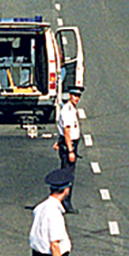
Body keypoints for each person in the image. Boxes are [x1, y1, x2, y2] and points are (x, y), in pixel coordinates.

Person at [53, 86, 83, 214]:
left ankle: (64, 201)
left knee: (67, 173)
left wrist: (59, 142)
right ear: (70, 95)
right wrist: (71, 150)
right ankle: (65, 202)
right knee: (68, 175)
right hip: (69, 145)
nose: (77, 98)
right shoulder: (67, 110)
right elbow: (66, 131)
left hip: (67, 143)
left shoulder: (71, 108)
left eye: (78, 96)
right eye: (75, 95)